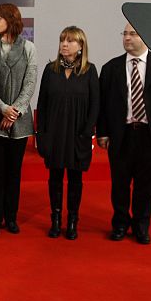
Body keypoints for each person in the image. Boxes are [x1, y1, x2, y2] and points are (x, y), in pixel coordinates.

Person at [97, 23, 151, 244]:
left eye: (132, 34)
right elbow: (102, 105)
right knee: (120, 184)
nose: (127, 38)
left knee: (146, 185)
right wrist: (102, 133)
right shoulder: (110, 68)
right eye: (124, 33)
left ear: (144, 37)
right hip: (122, 134)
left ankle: (142, 225)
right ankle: (120, 224)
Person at [35, 26, 99, 240]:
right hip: (54, 133)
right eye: (62, 40)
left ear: (81, 46)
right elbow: (41, 104)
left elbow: (94, 106)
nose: (64, 44)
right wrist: (40, 134)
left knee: (75, 179)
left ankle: (72, 220)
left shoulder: (90, 71)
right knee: (54, 177)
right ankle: (55, 218)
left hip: (77, 134)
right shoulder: (50, 70)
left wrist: (87, 133)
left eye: (70, 41)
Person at [0, 3, 37, 235]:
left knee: (14, 172)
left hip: (20, 121)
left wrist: (16, 111)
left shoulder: (29, 48)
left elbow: (30, 82)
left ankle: (11, 217)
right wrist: (3, 108)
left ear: (10, 19)